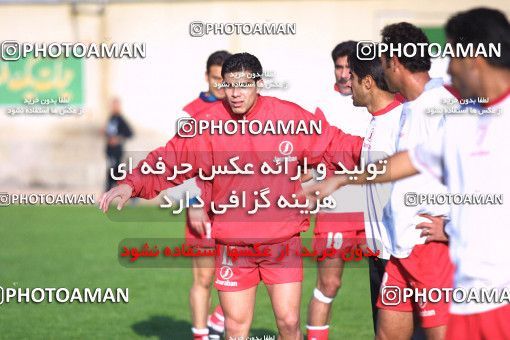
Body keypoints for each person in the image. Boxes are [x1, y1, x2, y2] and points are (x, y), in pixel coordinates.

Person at [99, 53, 363, 340]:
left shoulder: (289, 117)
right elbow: (170, 157)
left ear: (259, 84)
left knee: (288, 323)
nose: (235, 94)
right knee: (235, 329)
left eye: (244, 85)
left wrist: (383, 152)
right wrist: (131, 183)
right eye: (229, 85)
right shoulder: (207, 124)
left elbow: (335, 144)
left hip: (282, 243)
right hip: (233, 246)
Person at [302, 8, 510, 340]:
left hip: (440, 255)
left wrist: (451, 225)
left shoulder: (454, 105)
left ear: (476, 60)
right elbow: (411, 160)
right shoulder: (422, 108)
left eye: (453, 55)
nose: (448, 68)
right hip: (403, 250)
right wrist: (343, 179)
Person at [305, 41, 372, 340]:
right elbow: (314, 154)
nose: (344, 74)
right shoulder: (323, 105)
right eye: (339, 67)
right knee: (329, 284)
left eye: (349, 68)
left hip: (376, 205)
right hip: (338, 207)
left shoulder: (377, 100)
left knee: (390, 283)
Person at [347, 51, 404, 334]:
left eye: (353, 78)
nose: (349, 85)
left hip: (400, 256)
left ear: (368, 82)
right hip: (379, 252)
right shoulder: (376, 121)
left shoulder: (400, 122)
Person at [178, 50, 231, 340]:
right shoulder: (189, 113)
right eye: (215, 79)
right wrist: (193, 203)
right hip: (202, 207)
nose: (221, 87)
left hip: (239, 208)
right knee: (204, 278)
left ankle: (219, 320)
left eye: (226, 80)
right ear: (206, 77)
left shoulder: (244, 109)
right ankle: (201, 336)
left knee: (252, 270)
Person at [105, 98, 133, 191]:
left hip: (117, 151)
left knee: (114, 173)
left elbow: (130, 133)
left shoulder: (121, 120)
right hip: (110, 151)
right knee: (115, 172)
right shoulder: (111, 118)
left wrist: (118, 138)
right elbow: (110, 133)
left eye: (116, 105)